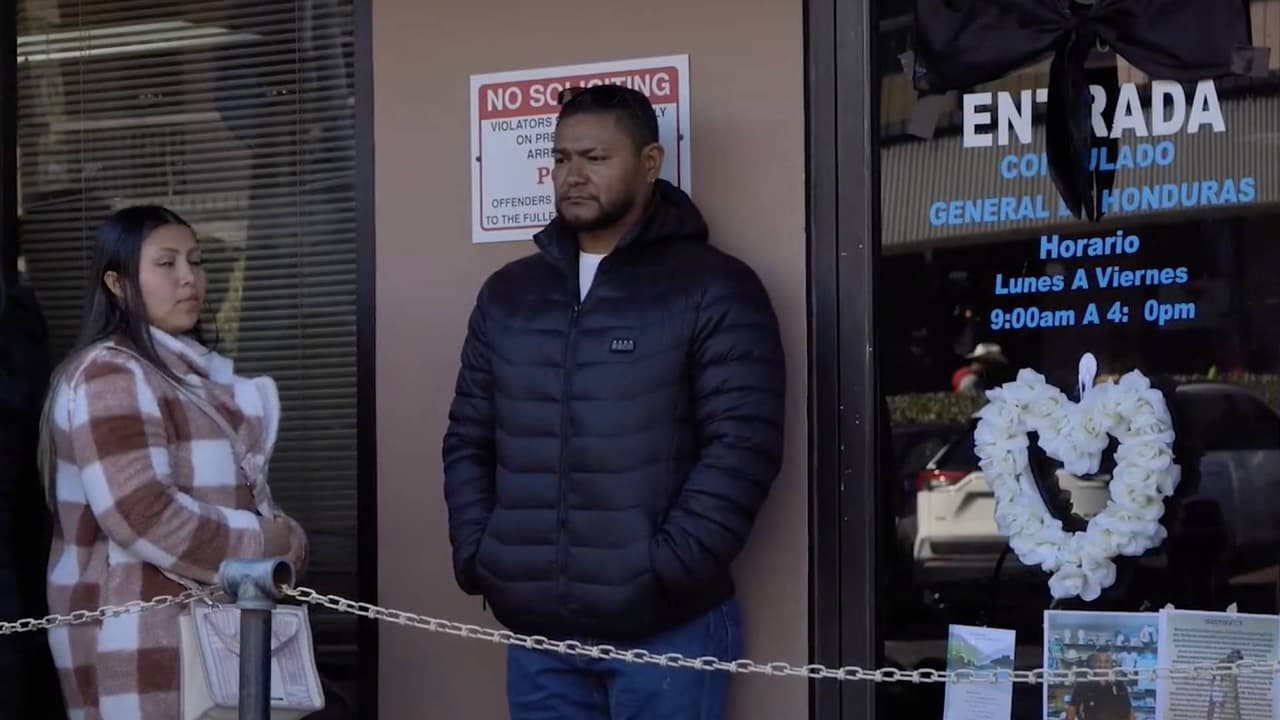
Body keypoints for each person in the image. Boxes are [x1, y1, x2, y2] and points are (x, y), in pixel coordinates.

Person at [443, 84, 786, 719]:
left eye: (595, 158)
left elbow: (744, 445)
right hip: (538, 634)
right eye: (561, 158)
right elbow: (468, 437)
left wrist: (668, 567)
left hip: (668, 632)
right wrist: (480, 554)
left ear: (650, 163)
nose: (572, 175)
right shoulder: (510, 295)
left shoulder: (714, 286)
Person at [40, 205, 308, 719]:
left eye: (196, 261)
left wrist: (284, 540)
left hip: (212, 638)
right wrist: (265, 544)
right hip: (141, 643)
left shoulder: (188, 377)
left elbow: (247, 501)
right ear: (118, 284)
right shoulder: (109, 373)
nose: (190, 277)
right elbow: (143, 514)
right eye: (166, 263)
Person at [1064, 649, 1135, 720]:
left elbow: (1130, 713)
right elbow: (1071, 712)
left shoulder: (1119, 684)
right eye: (1098, 661)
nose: (1102, 665)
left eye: (1107, 661)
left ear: (1111, 664)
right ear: (1093, 663)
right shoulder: (1082, 684)